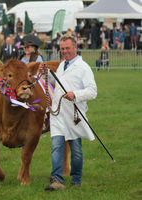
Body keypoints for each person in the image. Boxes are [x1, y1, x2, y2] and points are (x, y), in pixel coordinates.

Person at [42, 34, 97, 191]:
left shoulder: (83, 68)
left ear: (75, 48)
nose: (64, 51)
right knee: (56, 146)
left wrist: (76, 94)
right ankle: (57, 180)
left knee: (76, 150)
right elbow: (59, 82)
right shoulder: (62, 65)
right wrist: (47, 74)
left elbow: (93, 91)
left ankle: (76, 179)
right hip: (58, 114)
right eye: (62, 49)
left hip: (74, 115)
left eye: (67, 48)